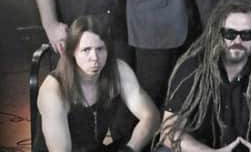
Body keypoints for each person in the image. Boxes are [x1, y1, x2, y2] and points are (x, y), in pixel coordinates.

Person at [157, 0, 251, 151]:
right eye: (230, 33)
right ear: (217, 33)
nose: (238, 41)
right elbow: (169, 130)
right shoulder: (193, 67)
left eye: (247, 35)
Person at [34, 15, 160, 152]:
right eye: (86, 50)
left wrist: (130, 149)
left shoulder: (118, 70)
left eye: (100, 49)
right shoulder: (54, 89)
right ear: (72, 52)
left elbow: (151, 116)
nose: (94, 58)